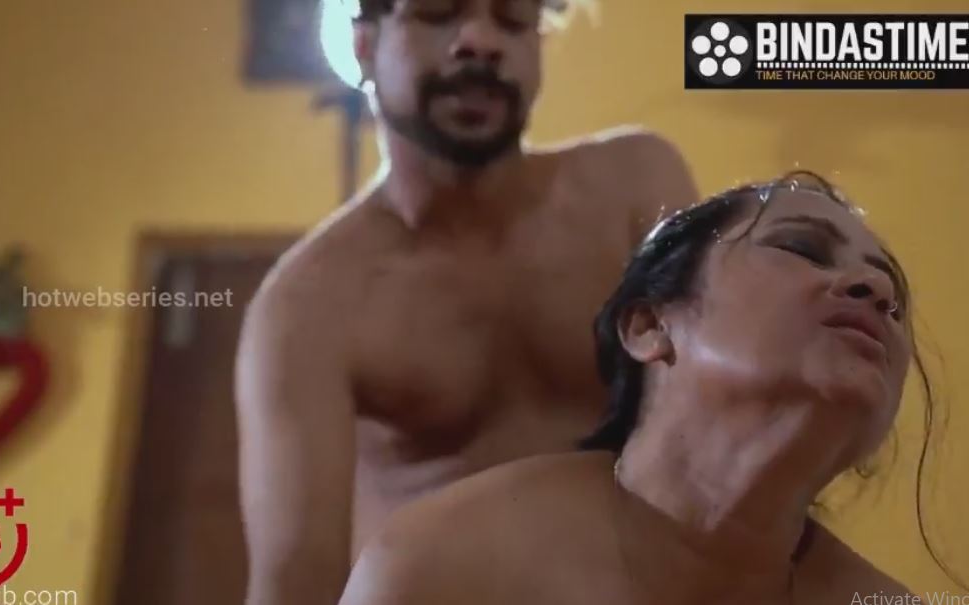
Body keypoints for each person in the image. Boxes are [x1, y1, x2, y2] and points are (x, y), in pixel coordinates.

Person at [234, 0, 699, 603]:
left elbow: (724, 433)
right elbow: (295, 584)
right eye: (436, 13)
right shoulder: (308, 305)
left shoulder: (635, 188)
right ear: (364, 47)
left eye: (513, 19)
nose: (481, 40)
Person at [337, 173, 933, 605]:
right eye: (800, 248)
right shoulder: (449, 567)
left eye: (894, 300)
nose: (875, 290)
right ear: (650, 326)